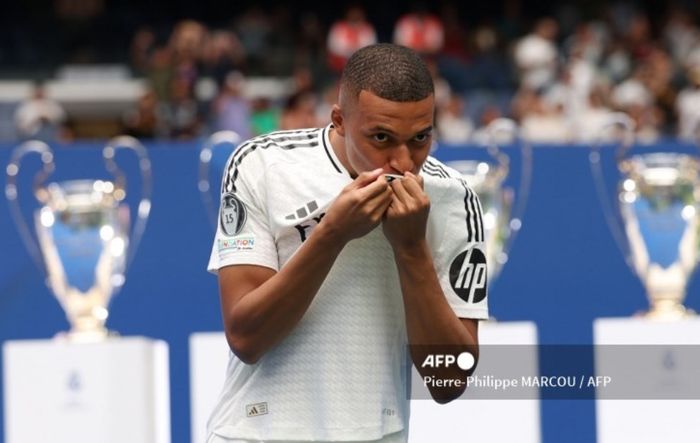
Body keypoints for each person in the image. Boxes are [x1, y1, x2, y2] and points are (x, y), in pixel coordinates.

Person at [206, 43, 488, 443]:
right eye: (381, 137)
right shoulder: (261, 164)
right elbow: (246, 338)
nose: (403, 161)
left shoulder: (455, 197)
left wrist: (410, 249)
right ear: (339, 120)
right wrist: (332, 234)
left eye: (421, 138)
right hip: (254, 434)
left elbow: (449, 378)